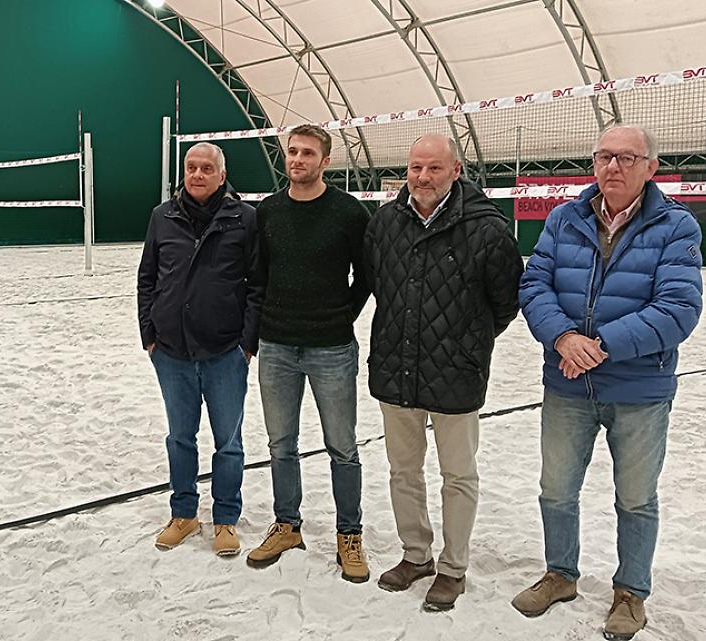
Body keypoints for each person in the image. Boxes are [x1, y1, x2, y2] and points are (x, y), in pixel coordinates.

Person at [513, 125, 702, 641]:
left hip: (639, 391)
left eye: (625, 158)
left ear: (649, 167)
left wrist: (599, 345)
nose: (612, 167)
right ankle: (560, 575)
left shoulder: (675, 227)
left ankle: (630, 593)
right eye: (603, 157)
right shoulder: (563, 218)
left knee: (636, 498)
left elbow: (679, 309)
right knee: (556, 490)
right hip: (567, 384)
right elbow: (534, 286)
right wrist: (562, 338)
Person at [364, 133, 522, 611]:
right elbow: (377, 283)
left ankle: (453, 568)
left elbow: (505, 302)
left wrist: (466, 341)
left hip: (456, 372)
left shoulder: (487, 229)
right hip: (396, 368)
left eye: (433, 168)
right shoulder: (386, 222)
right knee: (403, 472)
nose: (422, 178)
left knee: (458, 476)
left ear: (456, 171)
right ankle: (416, 555)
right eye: (415, 168)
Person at [244, 124, 372, 583]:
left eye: (307, 153)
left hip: (331, 348)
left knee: (343, 447)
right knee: (281, 444)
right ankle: (288, 525)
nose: (297, 159)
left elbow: (368, 276)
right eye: (292, 152)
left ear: (325, 160)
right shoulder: (268, 212)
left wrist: (342, 317)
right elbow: (257, 276)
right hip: (276, 346)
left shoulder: (348, 213)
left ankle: (349, 534)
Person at [136, 142, 265, 557]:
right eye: (191, 167)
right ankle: (184, 514)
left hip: (225, 352)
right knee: (180, 438)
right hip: (171, 352)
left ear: (222, 176)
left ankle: (225, 519)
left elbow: (257, 286)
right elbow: (147, 278)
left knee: (228, 442)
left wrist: (246, 343)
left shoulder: (245, 219)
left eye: (206, 168)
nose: (197, 174)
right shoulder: (162, 216)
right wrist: (149, 335)